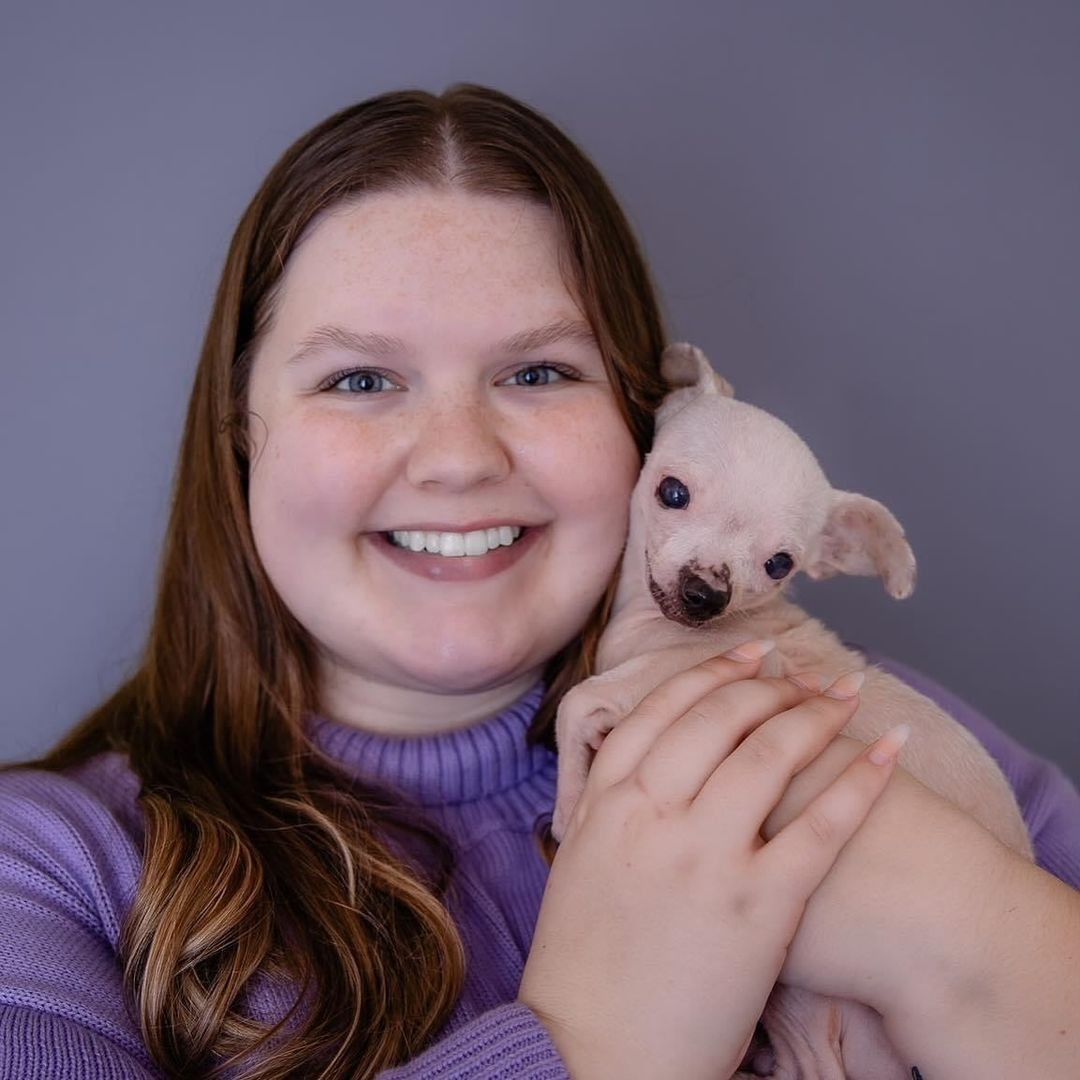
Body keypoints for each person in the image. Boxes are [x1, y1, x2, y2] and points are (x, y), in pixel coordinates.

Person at [0, 84, 1077, 1080]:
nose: (458, 457)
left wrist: (967, 924)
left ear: (646, 421)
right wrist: (595, 1038)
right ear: (241, 435)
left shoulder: (878, 740)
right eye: (361, 377)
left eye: (538, 373)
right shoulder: (46, 876)